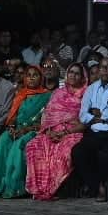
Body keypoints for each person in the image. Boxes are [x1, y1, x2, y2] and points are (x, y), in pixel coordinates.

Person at [0, 65, 49, 198]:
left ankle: (14, 187)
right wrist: (12, 127)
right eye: (28, 75)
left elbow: (46, 122)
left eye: (35, 75)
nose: (31, 77)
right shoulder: (20, 95)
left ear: (41, 78)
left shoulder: (47, 96)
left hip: (35, 131)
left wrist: (26, 129)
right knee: (3, 141)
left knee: (19, 145)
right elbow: (12, 117)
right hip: (18, 129)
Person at [25, 63, 87, 199]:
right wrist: (48, 131)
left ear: (82, 77)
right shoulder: (58, 93)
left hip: (72, 132)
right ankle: (40, 189)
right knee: (33, 146)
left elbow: (84, 122)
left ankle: (54, 188)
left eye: (77, 73)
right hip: (52, 131)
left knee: (63, 151)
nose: (73, 75)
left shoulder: (86, 94)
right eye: (71, 72)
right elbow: (48, 116)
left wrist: (64, 132)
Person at [69, 57, 108, 198]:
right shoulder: (92, 88)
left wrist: (97, 114)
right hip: (95, 130)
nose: (104, 71)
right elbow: (83, 114)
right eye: (102, 67)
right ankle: (96, 185)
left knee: (105, 156)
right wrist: (97, 116)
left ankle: (99, 186)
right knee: (77, 152)